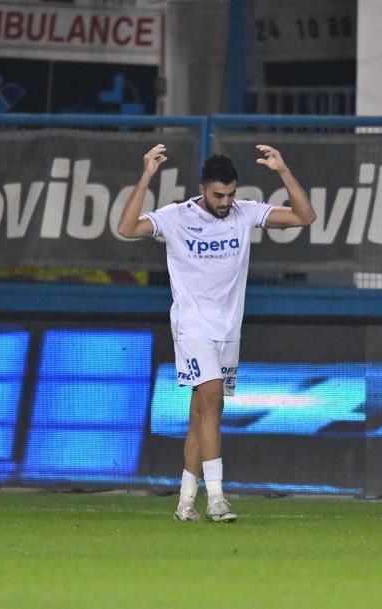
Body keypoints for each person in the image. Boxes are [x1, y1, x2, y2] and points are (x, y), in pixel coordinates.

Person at [117, 144, 315, 522]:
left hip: (227, 330)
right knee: (212, 402)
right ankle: (218, 499)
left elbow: (305, 216)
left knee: (201, 413)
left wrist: (283, 171)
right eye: (218, 195)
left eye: (230, 195)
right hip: (192, 325)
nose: (225, 202)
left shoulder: (245, 213)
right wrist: (146, 176)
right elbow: (127, 228)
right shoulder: (176, 217)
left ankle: (185, 502)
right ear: (202, 189)